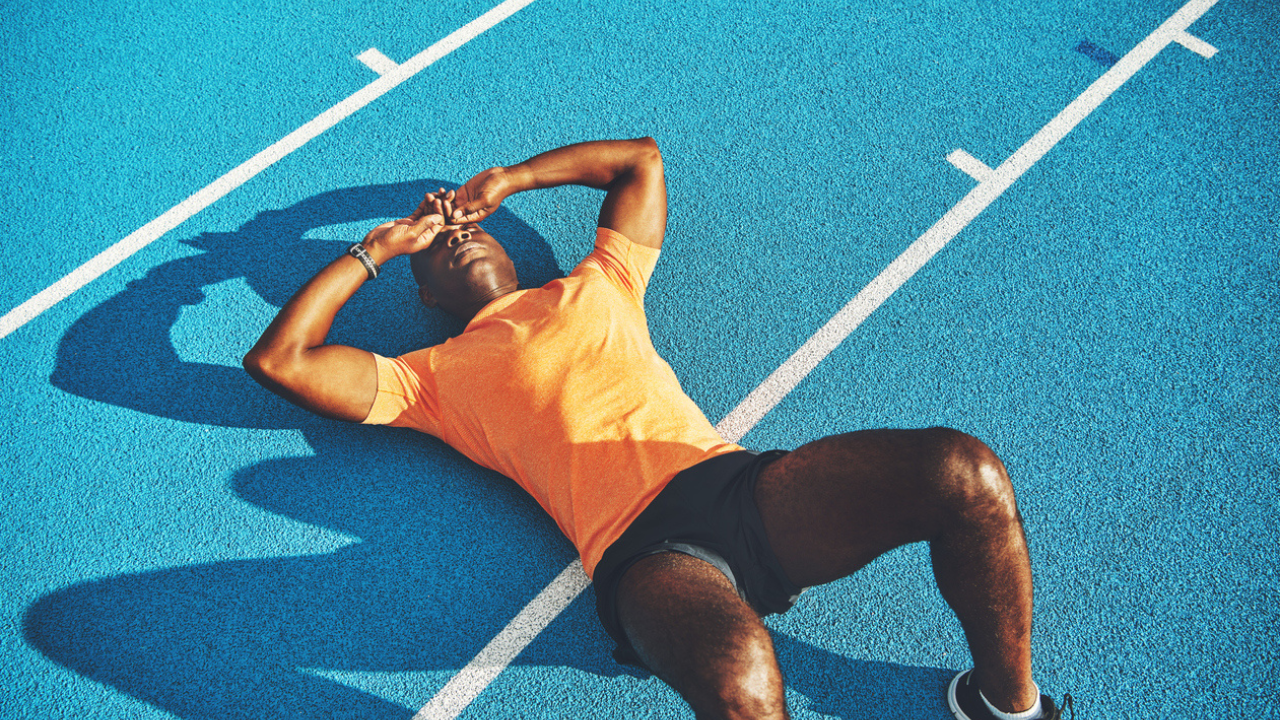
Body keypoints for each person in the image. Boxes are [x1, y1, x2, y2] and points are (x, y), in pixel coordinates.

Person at [243, 138, 1072, 720]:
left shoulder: (600, 283)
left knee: (966, 474)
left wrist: (512, 179)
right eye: (442, 243)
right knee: (745, 684)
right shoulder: (428, 378)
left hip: (738, 486)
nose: (457, 231)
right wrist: (380, 246)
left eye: (467, 225)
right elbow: (280, 361)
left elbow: (640, 158)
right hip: (646, 554)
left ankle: (1007, 705)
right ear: (423, 294)